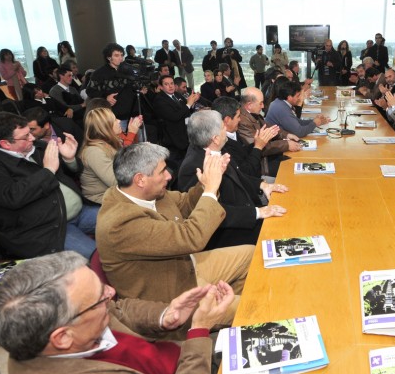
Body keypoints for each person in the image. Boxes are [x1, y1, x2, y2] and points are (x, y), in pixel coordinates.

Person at [0, 251, 235, 374]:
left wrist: (168, 314)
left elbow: (120, 309)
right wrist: (199, 330)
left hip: (185, 356)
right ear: (63, 337)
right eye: (99, 298)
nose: (111, 292)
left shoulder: (61, 323)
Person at [96, 143, 254, 322]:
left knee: (253, 255)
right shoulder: (120, 224)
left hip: (184, 268)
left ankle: (233, 314)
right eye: (162, 171)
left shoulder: (147, 194)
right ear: (140, 180)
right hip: (173, 297)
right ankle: (236, 314)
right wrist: (211, 189)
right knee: (251, 306)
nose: (169, 176)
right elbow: (191, 237)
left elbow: (186, 203)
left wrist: (205, 185)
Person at [0, 112, 98, 259]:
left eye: (30, 132)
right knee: (97, 257)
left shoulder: (38, 147)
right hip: (49, 229)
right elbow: (12, 197)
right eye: (25, 137)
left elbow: (72, 174)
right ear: (5, 143)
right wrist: (48, 171)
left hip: (80, 212)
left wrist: (69, 160)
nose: (32, 137)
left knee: (127, 219)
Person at [177, 110, 287, 249]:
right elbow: (211, 211)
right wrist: (258, 212)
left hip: (248, 214)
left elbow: (239, 175)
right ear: (215, 138)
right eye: (223, 127)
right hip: (231, 236)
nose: (226, 129)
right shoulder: (193, 167)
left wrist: (263, 184)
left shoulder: (214, 149)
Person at [238, 87, 300, 177]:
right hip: (261, 164)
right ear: (249, 105)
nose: (263, 106)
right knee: (291, 168)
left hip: (268, 157)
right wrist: (286, 144)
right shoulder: (242, 122)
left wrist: (286, 134)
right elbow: (259, 146)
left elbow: (269, 127)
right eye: (260, 103)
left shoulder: (254, 114)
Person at [212, 96, 278, 178]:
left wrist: (258, 141)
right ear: (227, 120)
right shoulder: (222, 144)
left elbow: (244, 152)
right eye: (238, 116)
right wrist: (258, 147)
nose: (240, 120)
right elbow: (246, 172)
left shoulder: (233, 132)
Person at [80, 107, 131, 204]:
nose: (119, 121)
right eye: (115, 120)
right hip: (101, 201)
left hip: (115, 195)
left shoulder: (110, 142)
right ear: (106, 127)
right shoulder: (94, 151)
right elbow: (116, 182)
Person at [86, 43, 140, 130]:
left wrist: (140, 89)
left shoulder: (127, 70)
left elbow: (132, 87)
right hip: (116, 116)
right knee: (122, 142)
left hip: (134, 112)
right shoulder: (99, 73)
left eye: (122, 55)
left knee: (138, 142)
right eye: (116, 55)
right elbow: (90, 91)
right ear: (108, 57)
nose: (120, 58)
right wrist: (105, 97)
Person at [152, 74, 199, 162]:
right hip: (172, 138)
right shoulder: (159, 100)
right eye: (166, 84)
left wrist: (192, 102)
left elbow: (186, 109)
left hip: (185, 134)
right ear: (161, 87)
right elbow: (174, 116)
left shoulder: (177, 94)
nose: (170, 86)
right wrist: (189, 104)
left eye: (172, 83)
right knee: (178, 165)